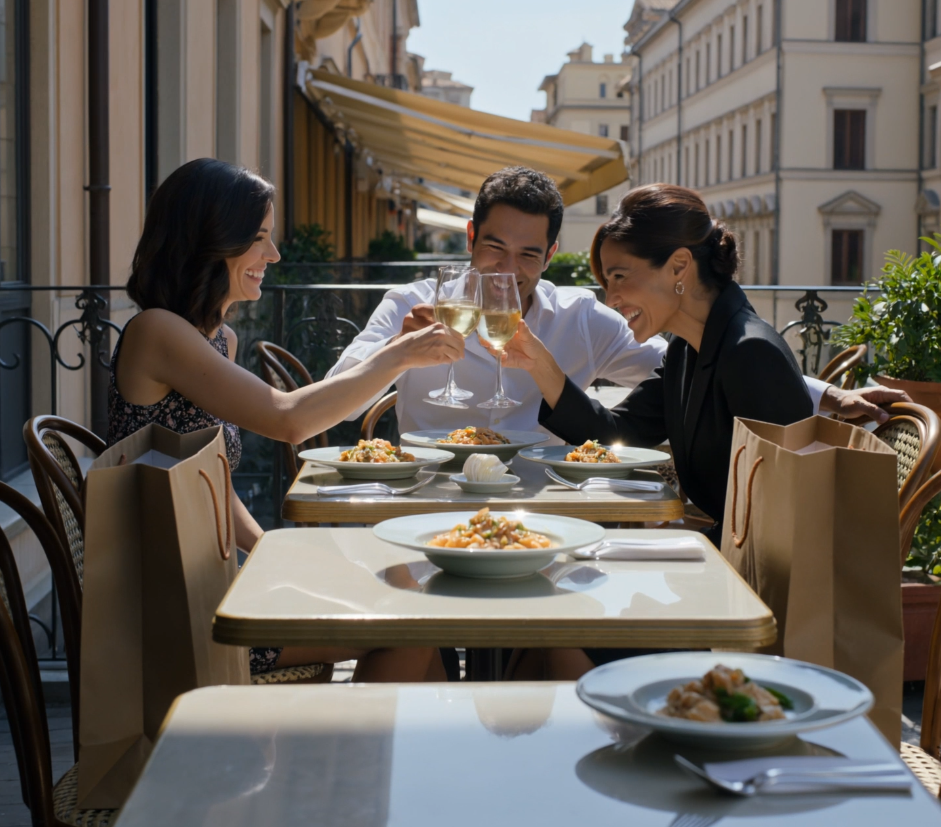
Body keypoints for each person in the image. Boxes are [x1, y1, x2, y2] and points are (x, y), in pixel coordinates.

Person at [496, 183, 907, 680]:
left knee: (563, 627)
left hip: (756, 607)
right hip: (720, 571)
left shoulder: (750, 353)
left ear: (679, 267)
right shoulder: (690, 350)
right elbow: (618, 432)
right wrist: (541, 366)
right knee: (549, 608)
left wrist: (673, 549)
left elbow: (786, 527)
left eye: (619, 277)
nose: (612, 298)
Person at [112, 157, 462, 682]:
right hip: (177, 610)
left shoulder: (218, 339)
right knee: (404, 621)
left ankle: (404, 736)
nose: (273, 254)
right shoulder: (156, 332)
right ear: (210, 240)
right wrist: (398, 355)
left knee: (404, 590)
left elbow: (213, 486)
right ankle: (357, 739)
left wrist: (272, 550)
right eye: (259, 238)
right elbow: (289, 419)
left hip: (213, 578)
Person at [328, 166, 907, 436]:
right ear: (470, 239)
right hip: (427, 504)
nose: (507, 270)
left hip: (550, 516)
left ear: (551, 256)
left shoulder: (579, 317)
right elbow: (338, 408)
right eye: (495, 248)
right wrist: (397, 353)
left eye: (527, 255)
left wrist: (829, 395)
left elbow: (698, 361)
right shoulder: (410, 303)